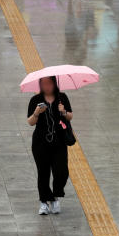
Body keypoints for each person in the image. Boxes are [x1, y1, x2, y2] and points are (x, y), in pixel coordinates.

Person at [27, 76, 73, 215]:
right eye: (43, 83)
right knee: (43, 172)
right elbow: (30, 122)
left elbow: (70, 116)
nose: (46, 86)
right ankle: (44, 202)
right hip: (41, 143)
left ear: (54, 84)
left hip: (59, 142)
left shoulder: (62, 97)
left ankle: (55, 196)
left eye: (49, 83)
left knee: (61, 171)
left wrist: (63, 111)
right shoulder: (35, 100)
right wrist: (37, 112)